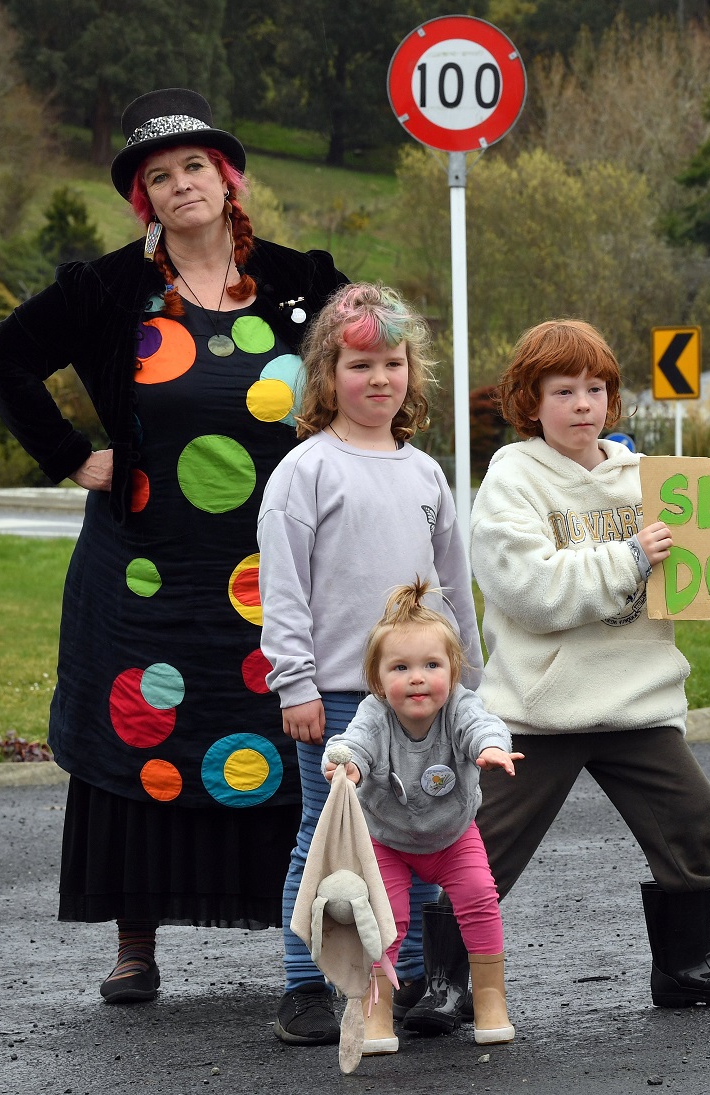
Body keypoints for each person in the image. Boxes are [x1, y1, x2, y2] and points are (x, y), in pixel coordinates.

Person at [0, 89, 347, 1007]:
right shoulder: (106, 289)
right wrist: (70, 457)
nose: (181, 185)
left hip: (277, 566)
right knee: (143, 728)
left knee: (286, 728)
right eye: (158, 175)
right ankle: (134, 945)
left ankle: (310, 948)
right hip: (146, 570)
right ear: (143, 199)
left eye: (195, 167)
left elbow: (373, 363)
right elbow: (4, 361)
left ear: (229, 179)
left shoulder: (306, 282)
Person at [405, 319, 710, 1028]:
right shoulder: (511, 482)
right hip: (540, 709)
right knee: (482, 843)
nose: (583, 404)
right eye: (564, 391)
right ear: (530, 401)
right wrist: (630, 558)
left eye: (596, 389)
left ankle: (686, 968)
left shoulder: (648, 481)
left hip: (638, 704)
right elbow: (529, 589)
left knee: (692, 818)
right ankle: (449, 982)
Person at [256, 283, 483, 1046]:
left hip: (421, 696)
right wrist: (295, 681)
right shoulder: (305, 470)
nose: (379, 378)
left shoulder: (426, 474)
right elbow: (281, 585)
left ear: (410, 374)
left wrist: (468, 681)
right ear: (326, 375)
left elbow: (451, 586)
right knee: (322, 839)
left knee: (413, 837)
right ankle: (301, 984)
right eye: (360, 364)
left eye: (393, 362)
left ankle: (405, 976)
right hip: (338, 698)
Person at [321, 580, 522, 1052]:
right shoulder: (375, 714)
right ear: (377, 680)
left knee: (478, 897)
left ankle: (491, 1000)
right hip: (386, 840)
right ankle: (375, 1012)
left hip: (453, 836)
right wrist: (346, 764)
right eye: (401, 667)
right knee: (383, 920)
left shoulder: (460, 707)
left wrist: (492, 749)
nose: (417, 677)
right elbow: (354, 743)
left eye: (431, 665)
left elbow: (483, 725)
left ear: (453, 671)